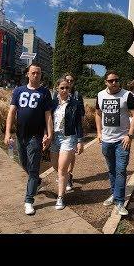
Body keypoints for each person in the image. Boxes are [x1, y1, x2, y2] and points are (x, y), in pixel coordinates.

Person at [4, 63, 53, 215]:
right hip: (20, 135)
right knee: (23, 164)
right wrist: (7, 133)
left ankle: (29, 200)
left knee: (33, 169)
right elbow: (12, 112)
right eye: (33, 73)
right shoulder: (18, 91)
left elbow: (48, 115)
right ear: (27, 74)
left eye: (38, 73)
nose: (36, 75)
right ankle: (37, 181)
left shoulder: (45, 92)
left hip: (35, 136)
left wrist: (49, 134)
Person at [95, 70, 134, 216]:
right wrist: (99, 132)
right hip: (106, 141)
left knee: (121, 170)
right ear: (105, 82)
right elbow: (97, 113)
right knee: (112, 170)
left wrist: (130, 135)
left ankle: (120, 201)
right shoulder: (100, 95)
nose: (114, 83)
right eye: (111, 81)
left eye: (116, 80)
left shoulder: (127, 95)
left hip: (122, 140)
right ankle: (114, 194)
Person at [49, 73, 85, 209]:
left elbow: (79, 124)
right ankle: (67, 178)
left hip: (68, 137)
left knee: (62, 169)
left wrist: (80, 140)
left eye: (67, 88)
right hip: (55, 137)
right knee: (55, 166)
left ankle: (60, 197)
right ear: (57, 88)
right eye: (62, 88)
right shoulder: (52, 103)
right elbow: (47, 119)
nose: (65, 90)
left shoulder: (74, 103)